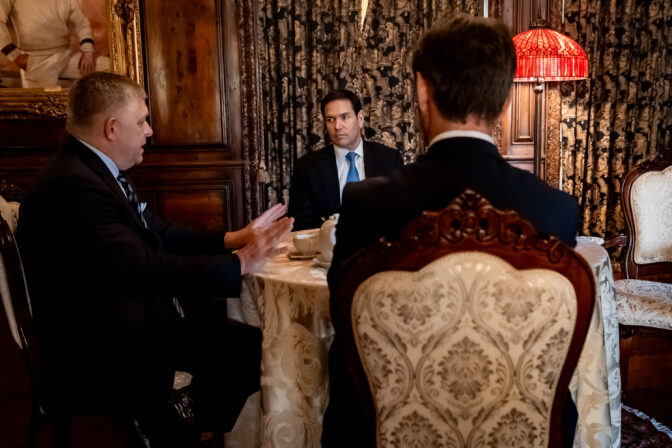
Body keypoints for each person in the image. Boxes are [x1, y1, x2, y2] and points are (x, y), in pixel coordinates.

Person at [321, 14, 580, 447]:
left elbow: (343, 318)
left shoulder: (365, 203)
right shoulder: (556, 210)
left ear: (422, 90)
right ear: (505, 101)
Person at [16, 71, 293, 446]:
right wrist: (240, 263)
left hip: (121, 318)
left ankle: (186, 427)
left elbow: (156, 231)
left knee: (243, 342)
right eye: (142, 121)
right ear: (112, 128)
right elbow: (141, 266)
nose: (149, 131)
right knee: (249, 349)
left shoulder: (90, 169)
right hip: (100, 348)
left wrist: (231, 240)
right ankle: (171, 432)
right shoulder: (73, 184)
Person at [288, 89, 404, 230]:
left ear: (360, 118)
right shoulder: (307, 167)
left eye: (344, 117)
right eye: (330, 119)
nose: (337, 126)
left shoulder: (389, 159)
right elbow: (301, 225)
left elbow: (401, 214)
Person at [0, 0, 110, 88]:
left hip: (65, 55)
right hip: (36, 60)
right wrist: (15, 56)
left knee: (108, 66)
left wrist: (88, 50)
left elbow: (81, 24)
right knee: (42, 103)